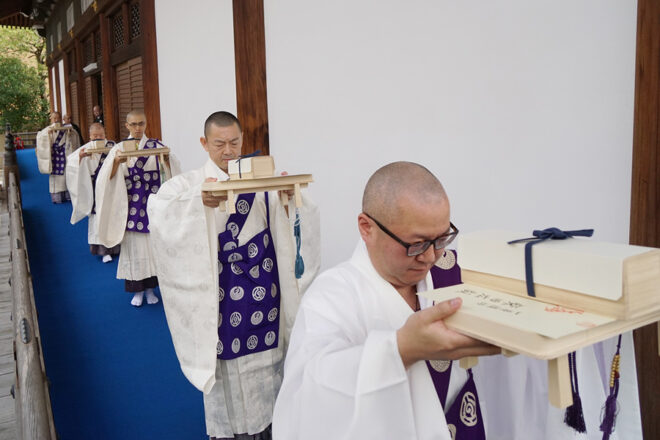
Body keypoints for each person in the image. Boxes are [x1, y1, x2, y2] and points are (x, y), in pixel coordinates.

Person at [272, 161, 499, 440]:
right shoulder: (333, 296)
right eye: (416, 244)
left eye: (441, 239)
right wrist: (401, 348)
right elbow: (311, 394)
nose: (430, 257)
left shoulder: (454, 271)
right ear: (367, 228)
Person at [147, 111, 320, 440]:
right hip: (221, 295)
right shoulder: (189, 184)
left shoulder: (260, 181)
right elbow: (160, 208)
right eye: (219, 144)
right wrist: (200, 202)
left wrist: (288, 201)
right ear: (204, 143)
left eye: (234, 143)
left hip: (263, 291)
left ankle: (271, 427)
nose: (228, 151)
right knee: (226, 369)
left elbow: (296, 217)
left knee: (268, 365)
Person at [95, 109, 179, 306]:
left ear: (146, 124)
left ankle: (151, 289)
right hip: (132, 204)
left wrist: (166, 159)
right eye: (133, 124)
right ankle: (137, 291)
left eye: (141, 123)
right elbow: (104, 178)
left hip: (152, 203)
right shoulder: (120, 148)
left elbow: (172, 169)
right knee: (134, 248)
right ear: (127, 126)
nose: (138, 128)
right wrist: (116, 162)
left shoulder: (156, 146)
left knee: (152, 248)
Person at [65, 122, 120, 262]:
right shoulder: (85, 149)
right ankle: (103, 251)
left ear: (105, 135)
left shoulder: (113, 146)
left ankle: (116, 246)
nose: (98, 138)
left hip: (111, 185)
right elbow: (71, 163)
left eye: (101, 135)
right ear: (90, 137)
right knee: (98, 218)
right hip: (95, 188)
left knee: (112, 215)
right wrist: (80, 158)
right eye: (95, 135)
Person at [35, 111, 80, 203]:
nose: (56, 120)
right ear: (51, 119)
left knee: (67, 174)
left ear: (60, 119)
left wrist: (70, 132)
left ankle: (68, 194)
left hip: (65, 155)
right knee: (56, 177)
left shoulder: (66, 128)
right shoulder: (46, 130)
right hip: (54, 156)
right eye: (54, 118)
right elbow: (40, 137)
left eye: (57, 118)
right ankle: (57, 197)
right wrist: (47, 134)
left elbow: (75, 135)